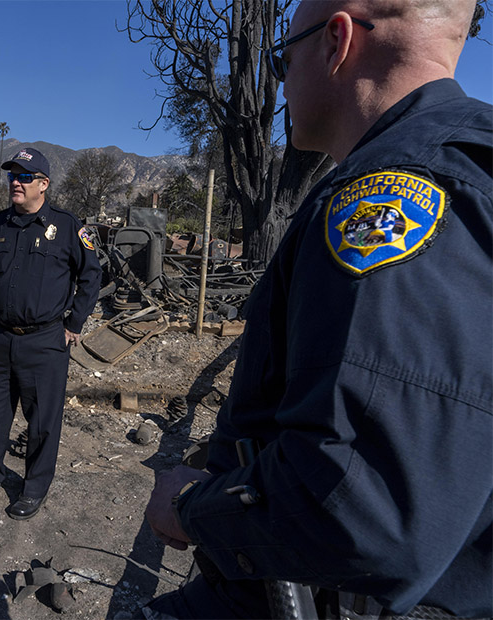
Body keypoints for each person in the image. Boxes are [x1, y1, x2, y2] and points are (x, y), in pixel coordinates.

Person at [143, 0, 491, 617]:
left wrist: (193, 510)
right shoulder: (471, 162)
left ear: (336, 41)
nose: (278, 81)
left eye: (282, 57)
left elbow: (363, 506)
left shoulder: (391, 193)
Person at [0, 147, 101, 520]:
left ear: (43, 184)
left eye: (25, 176)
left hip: (46, 340)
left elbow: (92, 275)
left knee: (43, 420)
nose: (16, 182)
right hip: (0, 337)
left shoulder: (66, 226)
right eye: (12, 176)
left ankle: (34, 487)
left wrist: (74, 324)